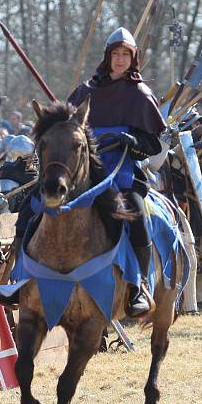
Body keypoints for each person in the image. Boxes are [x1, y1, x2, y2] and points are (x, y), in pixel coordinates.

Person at [68, 27, 165, 317]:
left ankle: (139, 286)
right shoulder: (86, 92)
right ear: (107, 56)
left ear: (133, 58)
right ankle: (23, 279)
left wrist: (133, 141)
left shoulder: (139, 94)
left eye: (126, 54)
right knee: (38, 208)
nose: (120, 59)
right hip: (84, 176)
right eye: (115, 54)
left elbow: (153, 144)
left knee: (135, 215)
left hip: (122, 175)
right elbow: (66, 129)